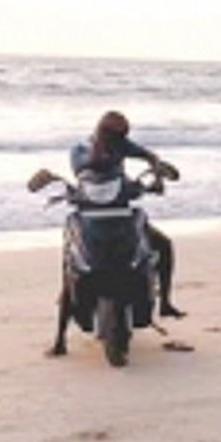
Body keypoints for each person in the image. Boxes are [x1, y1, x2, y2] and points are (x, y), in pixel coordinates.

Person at [71, 110, 186, 319]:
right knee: (72, 264)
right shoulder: (81, 150)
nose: (121, 141)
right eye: (116, 137)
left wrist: (156, 173)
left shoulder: (121, 146)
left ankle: (165, 302)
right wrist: (102, 154)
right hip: (91, 218)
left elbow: (148, 155)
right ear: (103, 133)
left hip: (122, 213)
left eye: (123, 137)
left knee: (163, 245)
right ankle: (60, 337)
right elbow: (88, 168)